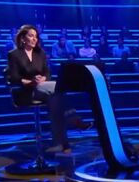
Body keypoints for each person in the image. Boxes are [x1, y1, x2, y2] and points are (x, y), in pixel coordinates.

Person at [5, 24, 90, 154]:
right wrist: (31, 81)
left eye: (36, 36)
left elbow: (47, 73)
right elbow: (14, 78)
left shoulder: (41, 53)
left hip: (44, 89)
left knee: (55, 100)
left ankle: (61, 144)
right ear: (22, 38)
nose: (35, 39)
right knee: (59, 88)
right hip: (26, 91)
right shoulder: (14, 54)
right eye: (31, 36)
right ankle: (73, 117)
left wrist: (43, 78)